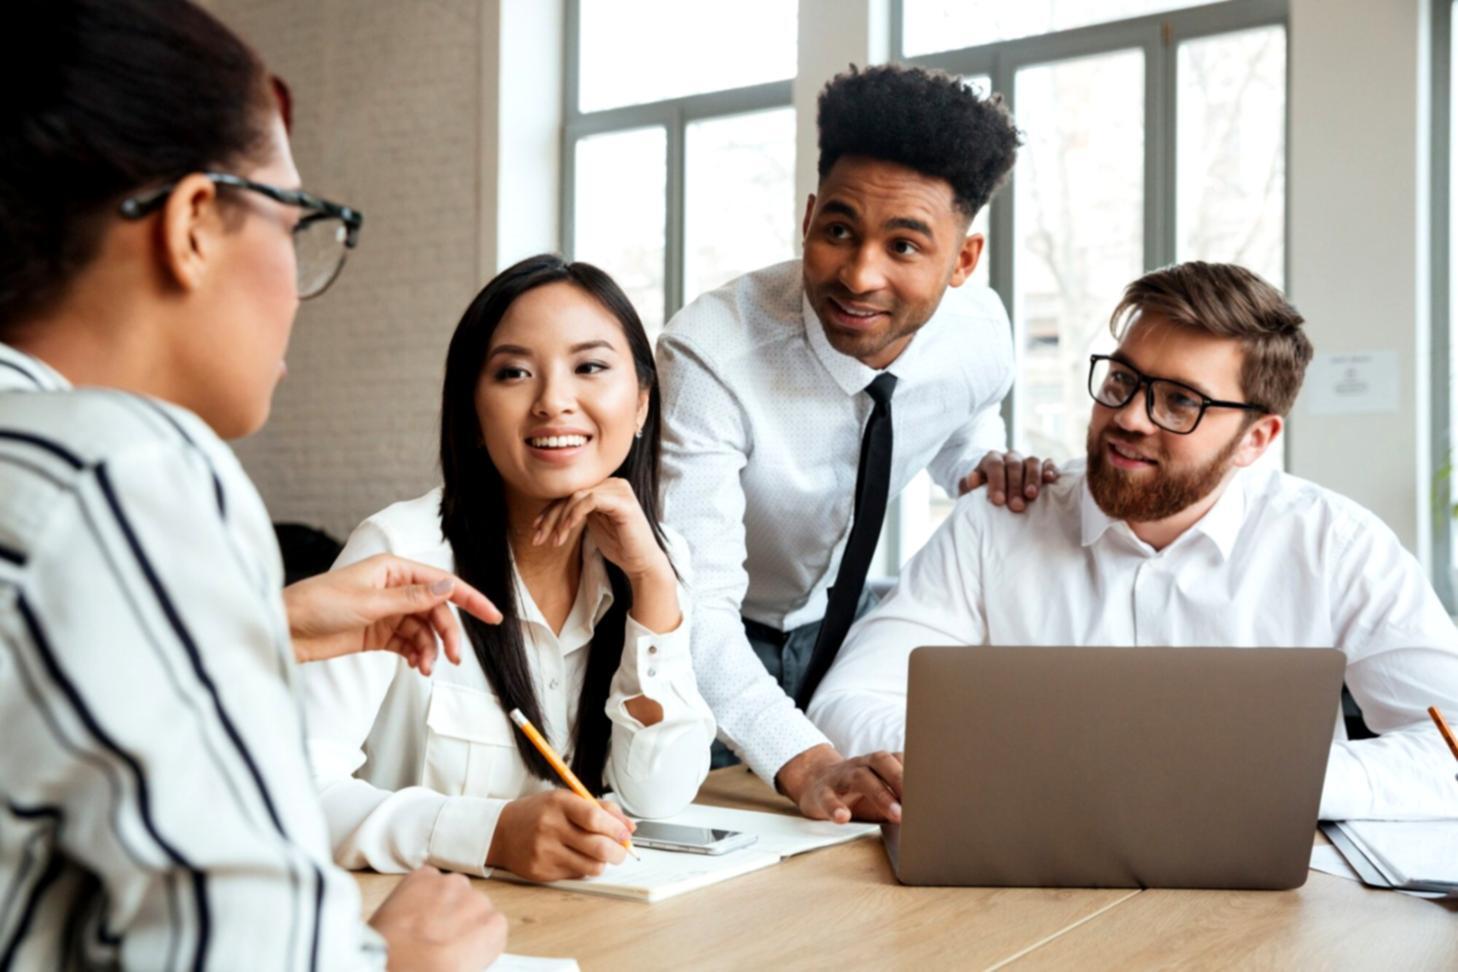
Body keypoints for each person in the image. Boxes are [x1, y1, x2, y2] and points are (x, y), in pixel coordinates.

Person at [1, 1, 507, 967]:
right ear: (194, 222)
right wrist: (390, 959)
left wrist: (263, 627)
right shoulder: (124, 468)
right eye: (298, 218)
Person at [808, 261, 1458, 821]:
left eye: (1180, 403)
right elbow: (848, 701)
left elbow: (1449, 747)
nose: (1128, 417)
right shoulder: (999, 521)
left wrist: (1264, 783)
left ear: (1255, 440)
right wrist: (1026, 760)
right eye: (1122, 381)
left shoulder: (1336, 545)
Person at [656, 63, 1053, 823]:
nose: (859, 275)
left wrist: (979, 468)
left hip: (844, 641)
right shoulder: (711, 354)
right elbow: (694, 605)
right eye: (839, 230)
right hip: (710, 650)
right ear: (809, 218)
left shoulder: (980, 334)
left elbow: (961, 418)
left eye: (904, 247)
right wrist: (804, 764)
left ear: (963, 262)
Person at [300, 255, 716, 883]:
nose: (553, 402)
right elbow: (291, 794)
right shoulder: (399, 554)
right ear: (471, 412)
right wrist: (487, 835)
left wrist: (654, 587)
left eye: (591, 367)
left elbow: (657, 796)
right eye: (515, 372)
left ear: (640, 405)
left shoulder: (658, 558)